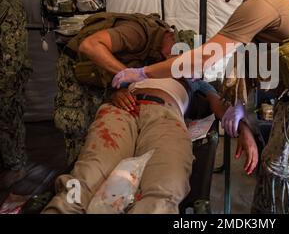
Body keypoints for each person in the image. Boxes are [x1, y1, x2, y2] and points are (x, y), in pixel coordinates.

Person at [111, 0, 289, 213]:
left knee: (279, 176)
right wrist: (241, 107)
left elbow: (201, 60)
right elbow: (249, 56)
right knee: (274, 173)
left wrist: (141, 73)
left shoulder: (260, 3)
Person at [42, 78, 258, 214]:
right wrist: (116, 93)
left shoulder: (196, 81)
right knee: (87, 176)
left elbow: (221, 108)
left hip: (165, 116)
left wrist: (244, 131)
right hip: (120, 112)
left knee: (165, 187)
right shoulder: (137, 71)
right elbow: (111, 87)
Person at [54, 12, 195, 165]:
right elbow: (90, 46)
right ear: (173, 39)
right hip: (79, 67)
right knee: (77, 126)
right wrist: (130, 78)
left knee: (102, 123)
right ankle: (76, 172)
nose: (170, 63)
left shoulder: (163, 48)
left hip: (105, 75)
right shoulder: (138, 33)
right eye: (175, 58)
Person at [0, 0, 32, 189]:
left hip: (7, 77)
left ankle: (16, 166)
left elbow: (12, 55)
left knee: (8, 120)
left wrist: (4, 86)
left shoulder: (8, 3)